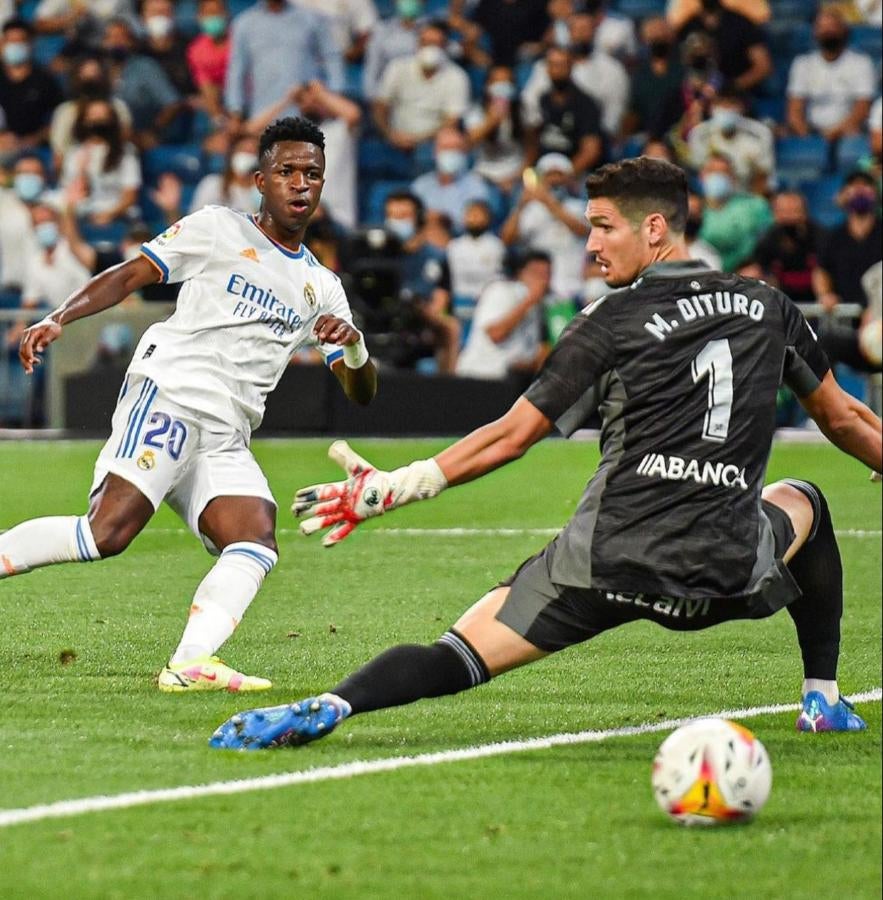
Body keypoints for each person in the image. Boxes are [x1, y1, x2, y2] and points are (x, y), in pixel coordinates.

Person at [210, 156, 882, 751]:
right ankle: (820, 697)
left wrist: (397, 485)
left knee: (455, 653)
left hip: (603, 564)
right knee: (805, 501)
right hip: (724, 568)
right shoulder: (767, 307)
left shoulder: (606, 322)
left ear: (653, 229)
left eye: (601, 226)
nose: (588, 245)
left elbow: (512, 435)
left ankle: (333, 704)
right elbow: (845, 418)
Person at [0, 117, 377, 693]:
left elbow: (362, 391)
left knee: (254, 537)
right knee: (106, 534)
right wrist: (59, 316)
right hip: (170, 395)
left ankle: (190, 663)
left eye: (312, 174)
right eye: (287, 172)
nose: (300, 184)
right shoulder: (218, 229)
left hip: (226, 433)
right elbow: (133, 273)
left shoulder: (322, 287)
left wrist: (351, 346)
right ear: (260, 179)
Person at [224, 0, 344, 132]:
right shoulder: (244, 23)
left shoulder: (311, 18)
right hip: (264, 118)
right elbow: (236, 70)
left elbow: (332, 57)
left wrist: (335, 96)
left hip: (308, 117)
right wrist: (235, 110)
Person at [501, 153, 589, 302]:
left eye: (559, 175)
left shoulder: (578, 206)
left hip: (572, 288)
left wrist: (549, 202)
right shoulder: (531, 210)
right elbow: (506, 239)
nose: (554, 180)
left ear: (568, 179)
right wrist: (521, 206)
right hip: (537, 290)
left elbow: (582, 230)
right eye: (549, 175)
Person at [372, 20, 470, 154]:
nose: (429, 48)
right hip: (394, 139)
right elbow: (380, 107)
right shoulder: (397, 67)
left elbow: (452, 121)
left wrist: (417, 140)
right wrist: (390, 134)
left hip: (431, 145)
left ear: (445, 46)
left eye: (435, 44)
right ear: (417, 44)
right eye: (425, 43)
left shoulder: (457, 77)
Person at [455, 248, 551, 380]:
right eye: (535, 273)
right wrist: (529, 300)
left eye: (546, 275)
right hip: (479, 375)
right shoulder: (500, 291)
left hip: (511, 379)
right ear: (520, 273)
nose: (541, 281)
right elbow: (496, 334)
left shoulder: (543, 306)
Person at [786, 8, 876, 143]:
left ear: (844, 30)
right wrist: (806, 135)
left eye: (832, 26)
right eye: (822, 27)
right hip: (812, 131)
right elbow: (794, 109)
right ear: (814, 32)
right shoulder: (802, 64)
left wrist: (836, 132)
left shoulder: (861, 63)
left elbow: (862, 109)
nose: (828, 31)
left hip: (850, 132)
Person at [523, 45, 604, 175]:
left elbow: (590, 151)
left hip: (575, 174)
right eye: (553, 65)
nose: (557, 70)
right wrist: (526, 172)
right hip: (542, 171)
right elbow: (533, 144)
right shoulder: (541, 100)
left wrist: (566, 175)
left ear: (571, 67)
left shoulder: (585, 104)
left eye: (561, 65)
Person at [686, 86, 774, 194]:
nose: (726, 109)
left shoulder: (759, 133)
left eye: (731, 104)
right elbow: (695, 173)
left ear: (742, 107)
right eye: (721, 103)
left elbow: (764, 176)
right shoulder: (699, 134)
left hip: (746, 195)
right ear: (711, 108)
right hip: (708, 197)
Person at [676, 0, 772, 95]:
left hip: (737, 97)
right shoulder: (688, 28)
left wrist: (732, 87)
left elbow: (763, 66)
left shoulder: (740, 23)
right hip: (697, 96)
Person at [410, 125, 494, 232]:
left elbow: (478, 222)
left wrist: (445, 220)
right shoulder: (420, 185)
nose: (450, 152)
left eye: (456, 148)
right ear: (435, 152)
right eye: (446, 147)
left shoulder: (478, 185)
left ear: (465, 153)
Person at [697, 152, 772, 271]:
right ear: (702, 176)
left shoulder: (755, 206)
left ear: (733, 178)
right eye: (712, 171)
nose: (718, 176)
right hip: (702, 275)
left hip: (746, 275)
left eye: (724, 172)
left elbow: (769, 242)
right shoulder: (691, 208)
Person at [0, 19, 63, 150]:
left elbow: (60, 119)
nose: (14, 46)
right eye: (10, 41)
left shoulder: (45, 81)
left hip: (34, 149)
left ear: (31, 44)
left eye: (20, 41)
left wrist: (31, 140)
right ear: (2, 44)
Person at [755, 191, 822, 307]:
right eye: (784, 212)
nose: (789, 217)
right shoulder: (767, 240)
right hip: (779, 301)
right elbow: (762, 270)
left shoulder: (820, 237)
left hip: (816, 302)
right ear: (775, 214)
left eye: (794, 211)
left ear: (805, 213)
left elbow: (826, 270)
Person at [446, 199, 505, 330]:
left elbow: (498, 276)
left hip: (487, 303)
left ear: (488, 218)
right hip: (460, 303)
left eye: (478, 215)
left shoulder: (496, 246)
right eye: (470, 214)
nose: (473, 219)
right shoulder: (454, 247)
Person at [190, 131, 260, 215]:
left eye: (252, 152)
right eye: (243, 150)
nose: (247, 156)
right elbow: (194, 220)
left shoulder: (257, 194)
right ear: (232, 153)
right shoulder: (211, 184)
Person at [186, 0, 232, 126]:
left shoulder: (239, 40)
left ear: (226, 14)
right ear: (199, 17)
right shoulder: (196, 50)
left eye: (217, 13)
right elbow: (207, 88)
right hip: (222, 107)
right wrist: (219, 120)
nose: (213, 17)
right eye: (208, 13)